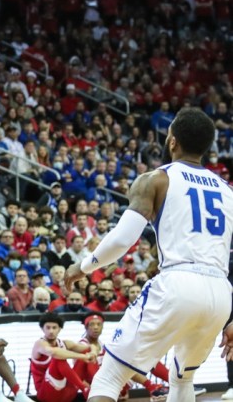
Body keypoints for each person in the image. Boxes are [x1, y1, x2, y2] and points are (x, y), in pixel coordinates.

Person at [68, 108, 233, 402]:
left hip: (179, 281)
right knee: (183, 377)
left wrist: (82, 267)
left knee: (109, 376)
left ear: (172, 141)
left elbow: (122, 239)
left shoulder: (156, 179)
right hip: (220, 294)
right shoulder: (227, 190)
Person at [73, 313, 169, 401]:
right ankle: (152, 386)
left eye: (99, 324)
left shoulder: (103, 345)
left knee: (138, 358)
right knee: (123, 360)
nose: (95, 327)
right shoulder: (82, 345)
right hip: (93, 386)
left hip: (112, 382)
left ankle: (163, 383)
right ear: (86, 327)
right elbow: (78, 375)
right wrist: (88, 390)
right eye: (92, 324)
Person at [31, 313, 95, 402]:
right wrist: (82, 356)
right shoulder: (39, 344)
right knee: (58, 358)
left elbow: (91, 346)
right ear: (42, 329)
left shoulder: (65, 343)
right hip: (46, 394)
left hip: (66, 392)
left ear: (60, 329)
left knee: (85, 352)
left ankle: (96, 386)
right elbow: (54, 352)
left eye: (54, 328)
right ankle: (84, 388)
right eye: (48, 327)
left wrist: (93, 352)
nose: (51, 331)